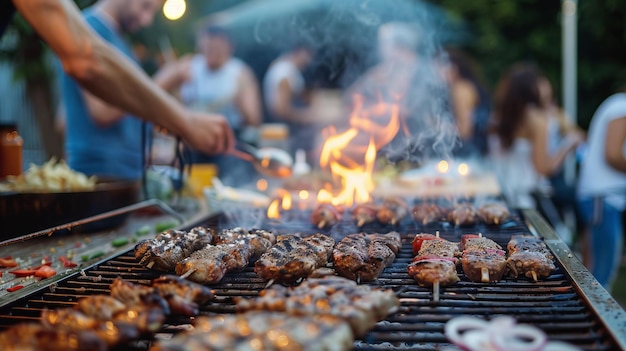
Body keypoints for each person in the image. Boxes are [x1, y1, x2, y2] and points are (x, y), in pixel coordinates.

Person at [1, 0, 234, 167]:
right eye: (146, 7)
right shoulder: (90, 28)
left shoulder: (123, 45)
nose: (146, 20)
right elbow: (101, 107)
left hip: (126, 174)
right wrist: (184, 117)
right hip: (101, 173)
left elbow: (66, 118)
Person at [156, 26, 262, 185]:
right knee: (191, 188)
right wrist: (174, 81)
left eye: (216, 49)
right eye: (207, 48)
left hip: (227, 144)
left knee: (229, 186)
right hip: (193, 143)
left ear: (229, 47)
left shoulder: (239, 73)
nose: (211, 53)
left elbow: (253, 119)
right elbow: (165, 98)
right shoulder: (188, 68)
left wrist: (239, 99)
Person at [488, 63, 583, 209]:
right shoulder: (537, 120)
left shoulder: (498, 118)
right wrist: (569, 145)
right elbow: (543, 168)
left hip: (498, 194)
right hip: (528, 200)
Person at [577, 89, 626, 290]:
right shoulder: (621, 106)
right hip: (602, 197)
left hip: (603, 197)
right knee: (601, 270)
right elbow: (612, 154)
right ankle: (598, 320)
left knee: (598, 266)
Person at [263, 42, 315, 153]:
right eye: (307, 55)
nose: (309, 60)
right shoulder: (285, 72)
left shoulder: (288, 68)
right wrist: (307, 117)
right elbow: (281, 110)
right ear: (298, 52)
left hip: (284, 129)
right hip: (282, 131)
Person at [441, 48, 491, 158]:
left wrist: (438, 128)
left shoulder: (460, 89)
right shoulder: (468, 86)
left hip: (468, 155)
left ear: (454, 69)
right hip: (478, 153)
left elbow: (464, 130)